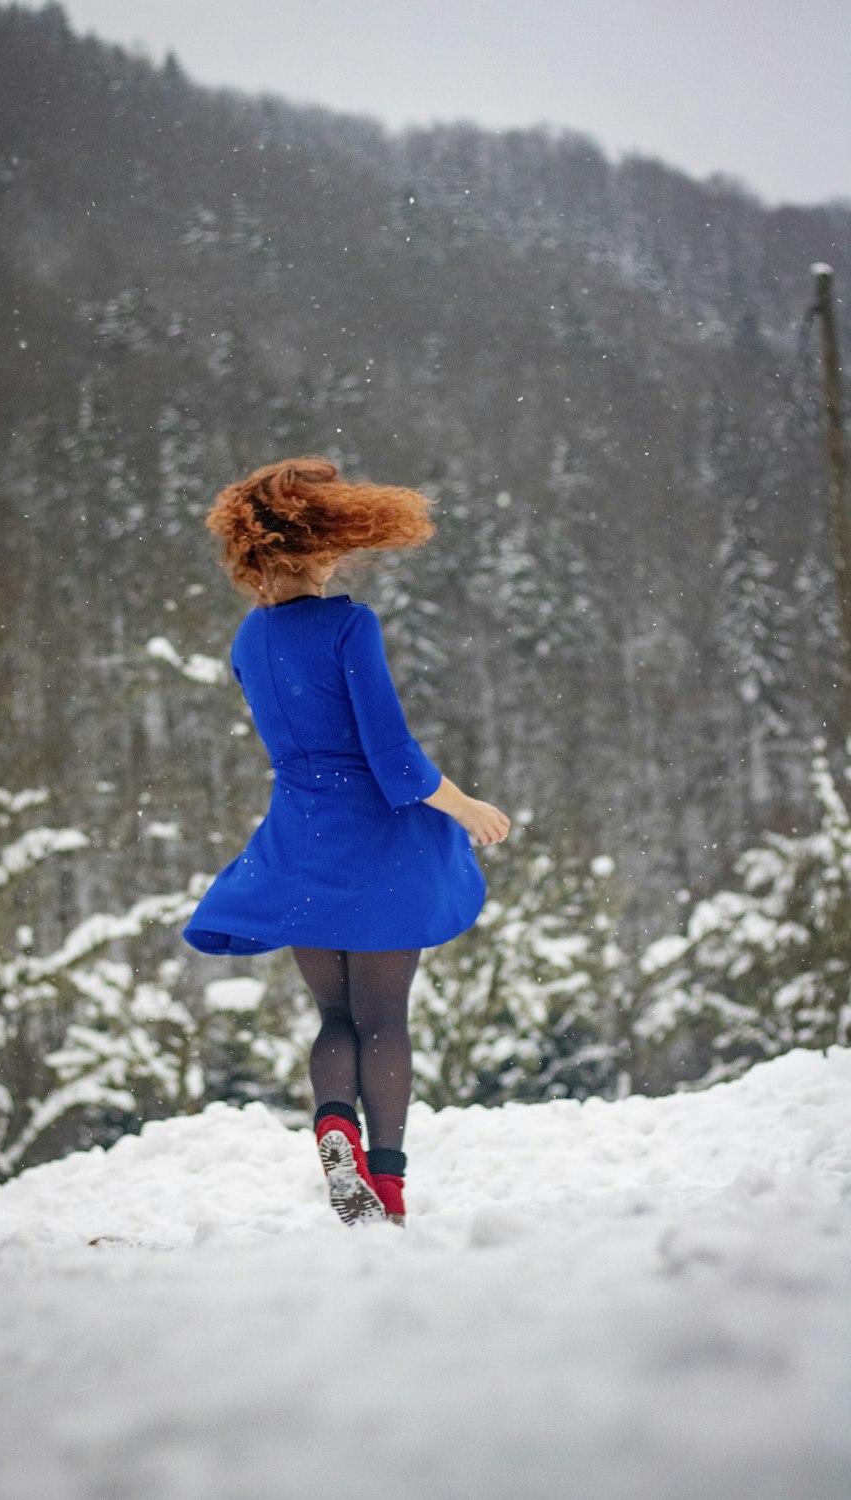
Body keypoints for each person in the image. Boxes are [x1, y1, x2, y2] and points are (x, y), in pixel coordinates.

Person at [183, 457, 510, 1225]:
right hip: (376, 844)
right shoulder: (349, 626)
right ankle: (387, 1188)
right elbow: (391, 756)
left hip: (301, 845)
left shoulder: (249, 638)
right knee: (383, 1022)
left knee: (335, 1021)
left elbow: (301, 734)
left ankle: (335, 1126)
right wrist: (467, 807)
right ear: (322, 545)